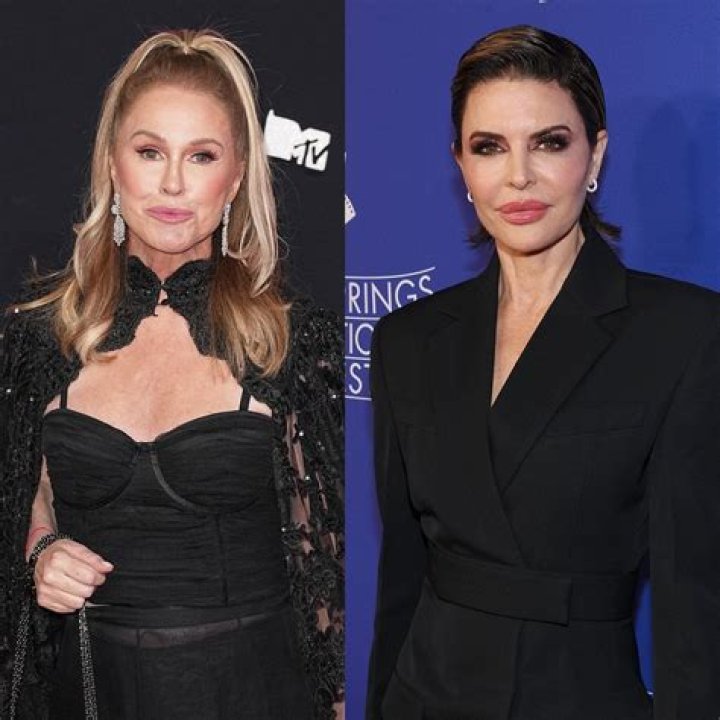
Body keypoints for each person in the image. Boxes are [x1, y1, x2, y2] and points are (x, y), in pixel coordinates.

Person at [366, 24, 720, 720]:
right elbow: (402, 577)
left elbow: (694, 608)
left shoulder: (684, 334)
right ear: (460, 165)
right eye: (489, 147)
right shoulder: (407, 340)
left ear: (595, 155)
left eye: (549, 143)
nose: (518, 176)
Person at [0, 29, 344, 720]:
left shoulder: (291, 342)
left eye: (202, 156)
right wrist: (40, 550)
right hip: (88, 693)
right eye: (150, 151)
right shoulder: (38, 337)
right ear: (112, 162)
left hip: (254, 694)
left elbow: (326, 580)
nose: (173, 184)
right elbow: (23, 496)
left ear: (236, 177)